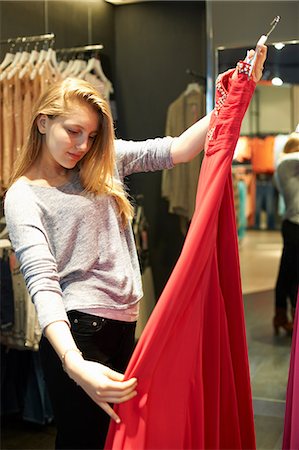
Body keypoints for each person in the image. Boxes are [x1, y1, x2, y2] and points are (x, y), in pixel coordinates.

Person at [4, 46, 266, 450]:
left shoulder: (101, 162)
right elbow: (42, 284)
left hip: (122, 329)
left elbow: (176, 149)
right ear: (43, 122)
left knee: (113, 440)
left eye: (90, 135)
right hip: (79, 336)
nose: (81, 144)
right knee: (85, 441)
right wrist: (74, 363)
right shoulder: (24, 196)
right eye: (72, 131)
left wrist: (236, 96)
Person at [273, 133, 299, 335]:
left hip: (293, 226)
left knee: (288, 272)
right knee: (291, 273)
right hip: (293, 227)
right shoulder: (285, 166)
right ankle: (285, 314)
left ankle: (282, 314)